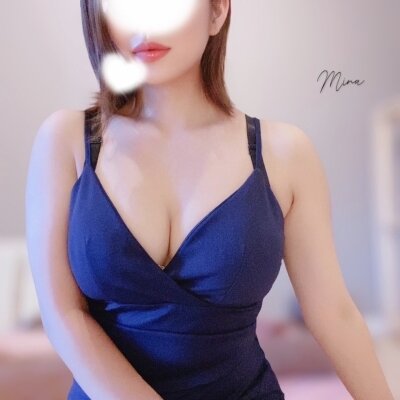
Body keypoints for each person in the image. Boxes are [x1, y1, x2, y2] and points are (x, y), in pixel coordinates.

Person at [25, 0, 395, 399]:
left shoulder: (286, 154)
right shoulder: (66, 141)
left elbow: (334, 313)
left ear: (217, 11)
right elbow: (63, 313)